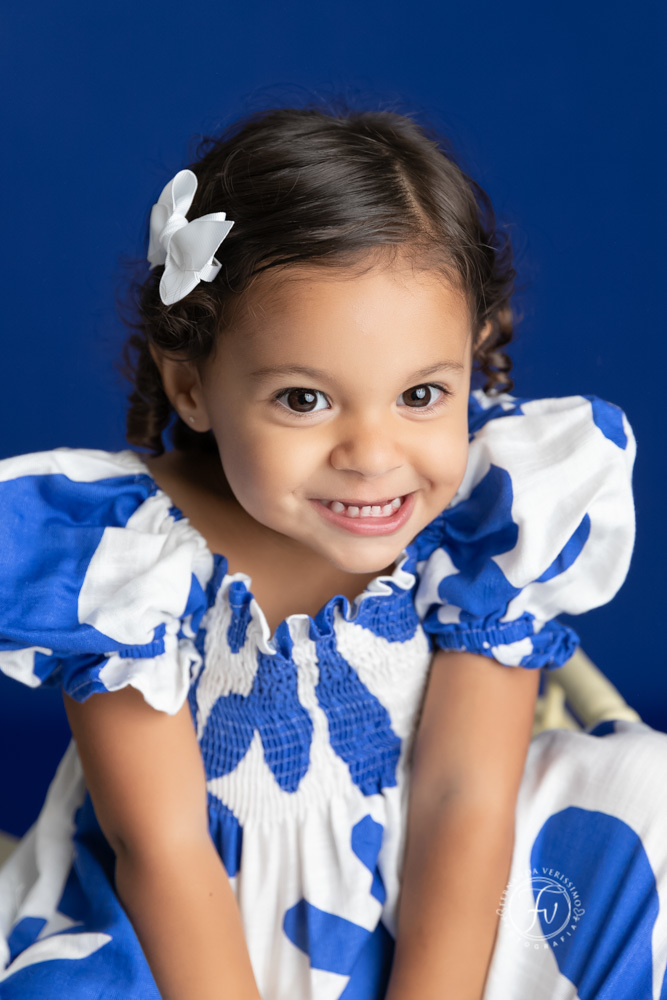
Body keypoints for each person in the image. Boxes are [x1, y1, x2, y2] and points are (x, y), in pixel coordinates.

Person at [0, 103, 665, 1000]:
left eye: (420, 395)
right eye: (304, 401)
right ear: (190, 384)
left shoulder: (475, 530)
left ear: (472, 359)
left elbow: (461, 800)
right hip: (186, 939)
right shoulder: (126, 563)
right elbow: (160, 847)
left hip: (433, 908)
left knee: (645, 793)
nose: (372, 455)